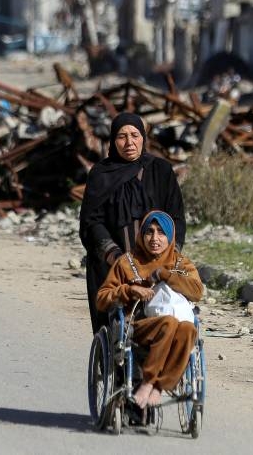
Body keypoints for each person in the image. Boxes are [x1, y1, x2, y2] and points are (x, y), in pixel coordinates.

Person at [79, 112, 186, 333]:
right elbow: (92, 222)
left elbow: (175, 217)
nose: (129, 142)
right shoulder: (100, 174)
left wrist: (167, 255)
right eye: (122, 136)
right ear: (113, 141)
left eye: (135, 135)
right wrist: (118, 258)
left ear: (143, 138)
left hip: (155, 262)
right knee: (116, 330)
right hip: (112, 265)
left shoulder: (161, 171)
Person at [96, 210, 203, 409]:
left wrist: (165, 274)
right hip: (138, 326)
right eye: (149, 232)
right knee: (168, 323)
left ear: (170, 236)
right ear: (141, 235)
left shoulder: (182, 264)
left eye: (161, 233)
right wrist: (129, 290)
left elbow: (197, 292)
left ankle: (159, 386)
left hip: (176, 327)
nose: (155, 238)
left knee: (188, 329)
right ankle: (148, 381)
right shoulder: (127, 263)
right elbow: (102, 298)